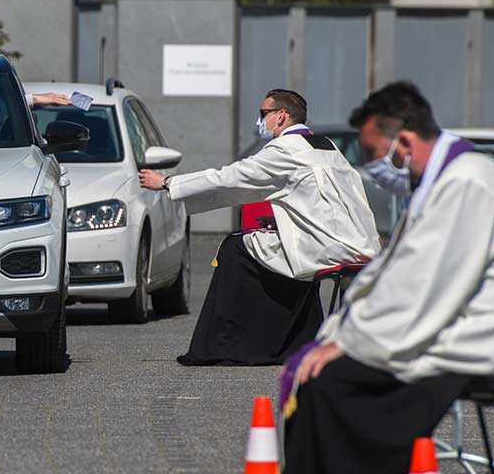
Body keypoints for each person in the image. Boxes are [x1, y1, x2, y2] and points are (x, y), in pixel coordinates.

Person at [265, 82, 494, 474]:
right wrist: (340, 334)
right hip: (443, 325)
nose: (375, 168)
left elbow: (425, 288)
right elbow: (403, 275)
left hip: (471, 339)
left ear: (406, 141)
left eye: (376, 153)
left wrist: (348, 342)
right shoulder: (444, 180)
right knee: (322, 372)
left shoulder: (465, 183)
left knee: (334, 381)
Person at [138, 89, 380, 366]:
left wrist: (169, 183)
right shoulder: (324, 145)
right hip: (358, 244)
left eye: (263, 113)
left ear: (281, 116)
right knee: (267, 242)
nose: (259, 120)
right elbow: (327, 203)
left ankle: (230, 345)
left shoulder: (285, 149)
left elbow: (231, 177)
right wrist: (284, 220)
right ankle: (297, 339)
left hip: (325, 249)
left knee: (235, 247)